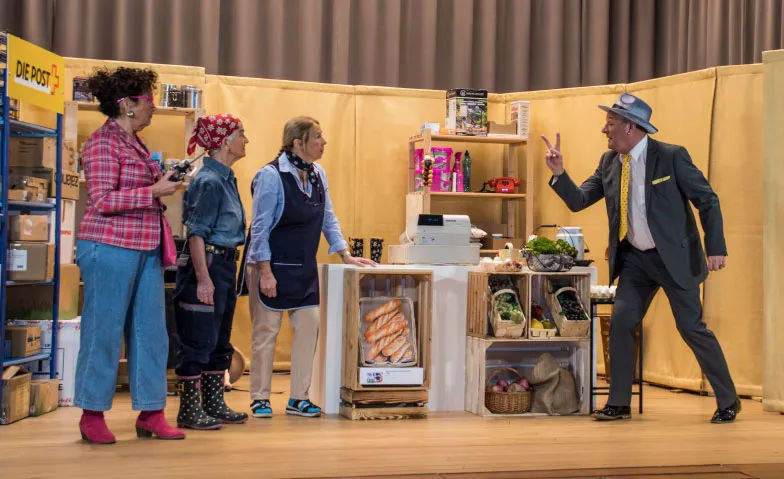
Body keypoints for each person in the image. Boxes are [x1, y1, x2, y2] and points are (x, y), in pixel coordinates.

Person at [542, 93, 740, 424]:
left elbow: (707, 199)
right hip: (635, 258)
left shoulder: (671, 157)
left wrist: (715, 247)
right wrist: (559, 173)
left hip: (674, 258)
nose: (604, 130)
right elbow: (579, 201)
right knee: (621, 322)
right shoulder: (609, 162)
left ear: (631, 127)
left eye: (610, 123)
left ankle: (729, 399)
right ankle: (618, 402)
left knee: (691, 327)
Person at [238, 116, 376, 418]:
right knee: (266, 333)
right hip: (270, 264)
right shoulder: (270, 176)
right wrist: (265, 272)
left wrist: (345, 254)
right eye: (317, 136)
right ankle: (260, 397)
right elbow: (259, 228)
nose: (324, 142)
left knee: (308, 329)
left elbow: (328, 217)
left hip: (303, 267)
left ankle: (298, 397)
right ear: (298, 142)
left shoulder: (317, 174)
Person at [75, 67, 185, 443]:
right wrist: (154, 190)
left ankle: (151, 413)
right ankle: (91, 414)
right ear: (127, 105)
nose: (153, 107)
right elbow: (102, 200)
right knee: (103, 332)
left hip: (144, 247)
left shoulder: (136, 142)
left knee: (151, 333)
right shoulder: (102, 143)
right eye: (148, 100)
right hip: (109, 247)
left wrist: (162, 182)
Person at [173, 114, 250, 430]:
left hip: (224, 264)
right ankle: (189, 410)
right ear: (225, 142)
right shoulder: (209, 181)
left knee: (219, 339)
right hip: (207, 264)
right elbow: (196, 234)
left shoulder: (226, 179)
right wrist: (203, 279)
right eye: (241, 134)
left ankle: (213, 404)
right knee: (198, 338)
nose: (246, 140)